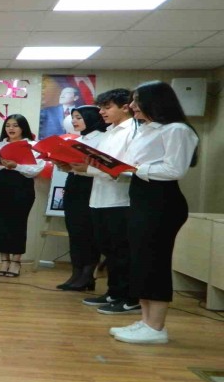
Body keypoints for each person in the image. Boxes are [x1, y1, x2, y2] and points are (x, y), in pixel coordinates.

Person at [109, 81, 199, 344]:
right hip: (142, 199)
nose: (132, 106)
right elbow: (134, 164)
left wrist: (136, 169)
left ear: (156, 102)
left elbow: (175, 169)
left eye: (137, 100)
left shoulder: (177, 130)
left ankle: (156, 327)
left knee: (155, 262)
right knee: (141, 261)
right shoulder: (147, 129)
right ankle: (146, 320)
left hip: (162, 203)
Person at [70, 89, 139, 314]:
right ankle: (113, 292)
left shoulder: (133, 130)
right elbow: (97, 165)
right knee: (108, 250)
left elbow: (127, 168)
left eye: (107, 107)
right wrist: (75, 167)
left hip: (120, 200)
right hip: (98, 198)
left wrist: (89, 168)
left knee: (122, 252)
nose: (102, 112)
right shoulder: (108, 132)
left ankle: (128, 297)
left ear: (125, 107)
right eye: (101, 107)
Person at [0, 114, 44, 277]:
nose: (11, 129)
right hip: (0, 187)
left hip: (22, 186)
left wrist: (16, 166)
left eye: (15, 125)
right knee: (0, 223)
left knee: (18, 224)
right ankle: (4, 261)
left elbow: (35, 170)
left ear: (23, 127)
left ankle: (16, 262)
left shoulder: (32, 146)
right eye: (8, 125)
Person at [53, 106, 107, 291]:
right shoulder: (77, 140)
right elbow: (73, 166)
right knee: (75, 231)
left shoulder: (103, 138)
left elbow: (102, 166)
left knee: (88, 232)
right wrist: (63, 164)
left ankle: (87, 275)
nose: (74, 121)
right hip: (74, 184)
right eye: (73, 117)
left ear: (91, 118)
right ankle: (76, 273)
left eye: (78, 117)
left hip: (91, 186)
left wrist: (82, 167)